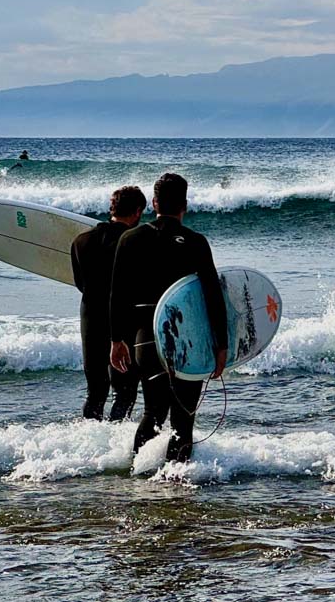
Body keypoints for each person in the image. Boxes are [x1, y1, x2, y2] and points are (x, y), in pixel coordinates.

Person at [110, 173, 228, 463]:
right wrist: (221, 344)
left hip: (145, 340)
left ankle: (137, 474)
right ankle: (177, 485)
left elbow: (118, 295)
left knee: (152, 413)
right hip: (187, 339)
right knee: (183, 419)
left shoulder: (131, 239)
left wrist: (117, 340)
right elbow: (213, 296)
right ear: (184, 205)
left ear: (153, 203)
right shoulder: (196, 243)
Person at [70, 186, 147, 421]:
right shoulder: (135, 242)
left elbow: (80, 283)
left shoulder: (81, 241)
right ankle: (114, 444)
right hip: (124, 322)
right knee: (124, 392)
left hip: (91, 319)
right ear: (136, 212)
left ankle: (92, 443)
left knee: (95, 393)